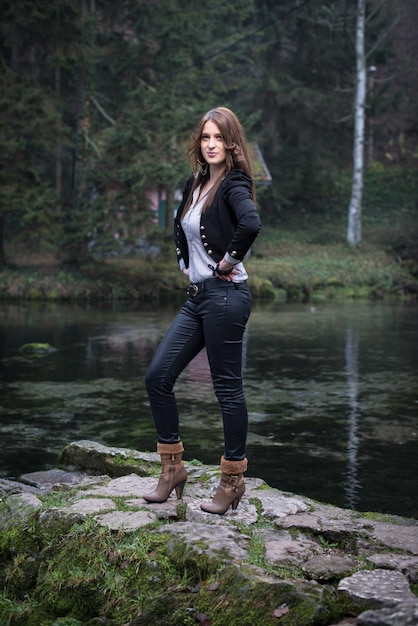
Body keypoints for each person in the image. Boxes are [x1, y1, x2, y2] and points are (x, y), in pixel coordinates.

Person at [144, 106, 261, 514]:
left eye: (218, 138)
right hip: (198, 297)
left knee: (227, 389)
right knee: (157, 376)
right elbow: (184, 231)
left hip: (227, 297)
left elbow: (250, 223)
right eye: (205, 137)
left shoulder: (234, 183)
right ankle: (172, 468)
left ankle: (232, 480)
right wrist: (185, 265)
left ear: (231, 143)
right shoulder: (195, 182)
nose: (211, 144)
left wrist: (226, 262)